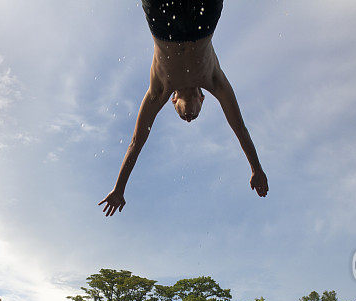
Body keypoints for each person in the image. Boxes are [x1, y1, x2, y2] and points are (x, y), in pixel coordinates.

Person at [99, 0, 268, 216]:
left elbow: (136, 142)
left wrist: (119, 188)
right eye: (194, 118)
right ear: (202, 98)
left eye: (184, 119)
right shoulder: (215, 80)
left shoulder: (159, 90)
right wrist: (256, 168)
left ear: (172, 100)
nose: (189, 118)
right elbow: (240, 129)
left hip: (162, 25)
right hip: (203, 21)